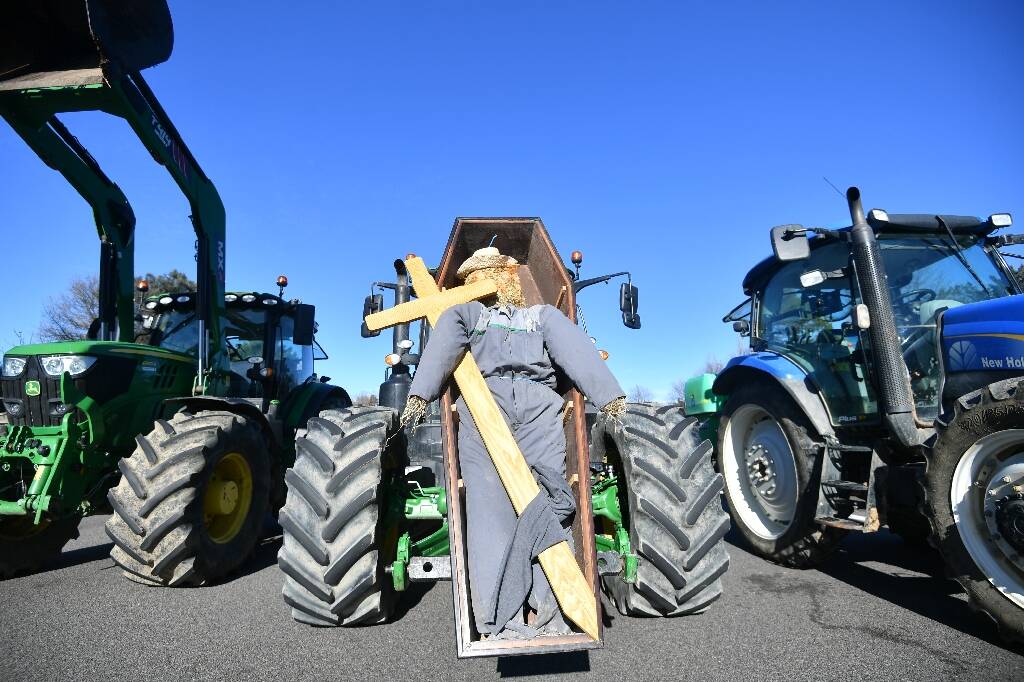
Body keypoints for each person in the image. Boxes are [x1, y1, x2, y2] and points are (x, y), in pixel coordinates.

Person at [402, 245, 625, 638]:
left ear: (508, 278)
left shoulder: (542, 317)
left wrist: (608, 396)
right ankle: (499, 620)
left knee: (550, 501)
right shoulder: (468, 314)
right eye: (478, 277)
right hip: (484, 405)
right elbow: (446, 336)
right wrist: (421, 393)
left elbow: (575, 349)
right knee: (490, 510)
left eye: (495, 273)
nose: (489, 282)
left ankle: (552, 613)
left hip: (541, 409)